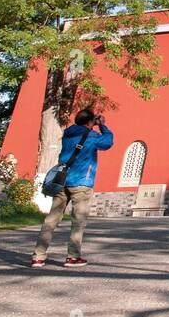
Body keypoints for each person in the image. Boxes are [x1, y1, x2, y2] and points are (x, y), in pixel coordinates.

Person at [31, 108, 114, 269]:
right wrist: (103, 126)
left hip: (62, 181)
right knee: (78, 221)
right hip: (81, 182)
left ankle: (38, 257)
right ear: (90, 122)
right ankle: (73, 257)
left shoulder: (68, 134)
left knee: (51, 219)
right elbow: (107, 142)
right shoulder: (91, 136)